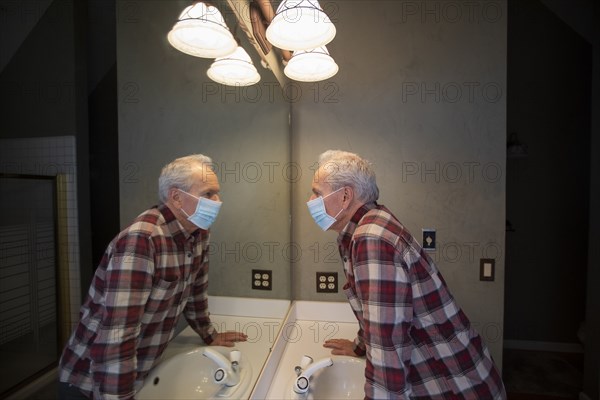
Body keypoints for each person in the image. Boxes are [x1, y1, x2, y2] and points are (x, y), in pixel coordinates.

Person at [306, 150, 506, 399]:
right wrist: (360, 346)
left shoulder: (371, 240)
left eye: (316, 192)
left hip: (457, 387)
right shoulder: (367, 226)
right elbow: (380, 312)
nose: (310, 200)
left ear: (345, 196)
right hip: (460, 375)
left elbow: (388, 351)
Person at [58, 154, 247, 399]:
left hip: (139, 370)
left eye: (217, 193)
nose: (217, 201)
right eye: (208, 194)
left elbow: (195, 292)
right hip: (91, 381)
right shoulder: (141, 241)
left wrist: (209, 335)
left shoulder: (198, 232)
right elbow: (119, 333)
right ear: (177, 198)